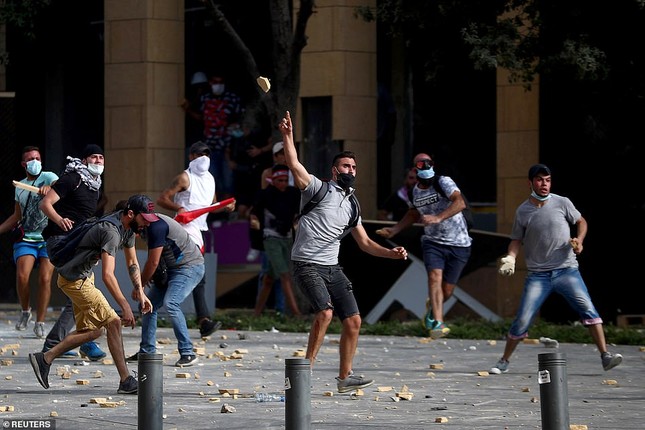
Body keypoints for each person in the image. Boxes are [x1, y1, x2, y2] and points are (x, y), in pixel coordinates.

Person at [278, 110, 408, 393]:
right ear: (335, 170)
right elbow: (294, 163)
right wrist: (288, 136)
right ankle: (305, 372)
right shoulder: (317, 189)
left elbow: (365, 244)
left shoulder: (354, 206)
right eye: (346, 166)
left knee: (354, 320)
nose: (351, 170)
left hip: (332, 268)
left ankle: (345, 378)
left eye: (354, 167)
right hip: (307, 264)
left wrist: (392, 253)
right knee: (324, 313)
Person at [490, 164, 623, 374]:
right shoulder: (523, 210)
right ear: (530, 183)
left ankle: (605, 356)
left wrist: (579, 240)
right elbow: (516, 239)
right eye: (540, 180)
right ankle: (504, 361)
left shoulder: (562, 202)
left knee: (588, 309)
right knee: (523, 318)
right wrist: (511, 257)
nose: (544, 184)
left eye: (548, 180)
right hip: (538, 275)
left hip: (566, 270)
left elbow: (581, 221)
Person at [28, 194, 154, 394]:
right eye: (144, 220)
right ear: (131, 214)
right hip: (75, 281)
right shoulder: (111, 232)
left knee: (94, 331)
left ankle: (44, 359)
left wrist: (141, 292)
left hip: (83, 277)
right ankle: (126, 380)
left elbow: (132, 262)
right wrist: (125, 305)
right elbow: (108, 275)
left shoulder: (128, 229)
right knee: (112, 322)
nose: (147, 225)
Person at [377, 152, 472, 338]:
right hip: (433, 242)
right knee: (434, 277)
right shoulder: (414, 191)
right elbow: (413, 214)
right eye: (420, 164)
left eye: (427, 164)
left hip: (459, 243)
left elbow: (460, 203)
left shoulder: (443, 181)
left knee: (448, 290)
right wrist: (395, 229)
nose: (424, 167)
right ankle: (438, 323)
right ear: (414, 168)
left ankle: (432, 309)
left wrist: (438, 217)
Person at [39, 144, 109, 360]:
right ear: (85, 160)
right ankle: (83, 341)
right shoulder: (73, 178)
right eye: (93, 157)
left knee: (80, 291)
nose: (98, 161)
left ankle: (72, 341)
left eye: (101, 158)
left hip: (76, 243)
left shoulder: (94, 185)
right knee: (82, 289)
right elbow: (45, 203)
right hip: (61, 242)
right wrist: (60, 220)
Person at [156, 141, 232, 337]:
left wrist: (226, 206)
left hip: (197, 232)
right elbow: (162, 199)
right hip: (182, 230)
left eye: (206, 154)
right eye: (199, 154)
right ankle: (201, 319)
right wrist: (178, 208)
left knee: (195, 276)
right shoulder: (184, 177)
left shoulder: (210, 179)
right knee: (193, 273)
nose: (203, 158)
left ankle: (202, 320)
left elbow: (212, 205)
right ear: (191, 156)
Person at [126, 196, 207, 367]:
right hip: (170, 269)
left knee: (171, 303)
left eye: (148, 219)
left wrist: (138, 286)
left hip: (190, 267)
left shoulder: (157, 226)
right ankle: (147, 351)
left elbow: (153, 262)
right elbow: (158, 260)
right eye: (143, 219)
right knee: (147, 305)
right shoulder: (144, 225)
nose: (146, 223)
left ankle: (188, 352)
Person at [0, 146, 58, 337]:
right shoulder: (20, 186)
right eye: (31, 159)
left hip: (48, 237)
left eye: (38, 158)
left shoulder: (49, 177)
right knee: (22, 276)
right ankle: (26, 311)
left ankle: (40, 321)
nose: (35, 161)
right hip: (26, 237)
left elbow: (61, 190)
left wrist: (50, 190)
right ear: (24, 164)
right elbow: (16, 215)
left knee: (45, 278)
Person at [249, 164, 301, 316]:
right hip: (271, 238)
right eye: (280, 180)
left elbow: (298, 214)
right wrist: (254, 222)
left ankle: (256, 314)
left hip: (287, 238)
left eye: (285, 180)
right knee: (285, 275)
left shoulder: (293, 193)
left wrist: (296, 224)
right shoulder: (265, 194)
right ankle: (296, 313)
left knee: (269, 279)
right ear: (273, 180)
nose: (283, 183)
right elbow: (254, 213)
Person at [189, 73, 244, 199]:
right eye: (215, 82)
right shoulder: (204, 98)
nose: (217, 85)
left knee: (228, 181)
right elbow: (199, 117)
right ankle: (215, 211)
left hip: (227, 148)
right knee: (211, 179)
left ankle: (228, 209)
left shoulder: (232, 99)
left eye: (220, 82)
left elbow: (241, 117)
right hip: (209, 148)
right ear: (210, 83)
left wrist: (236, 127)